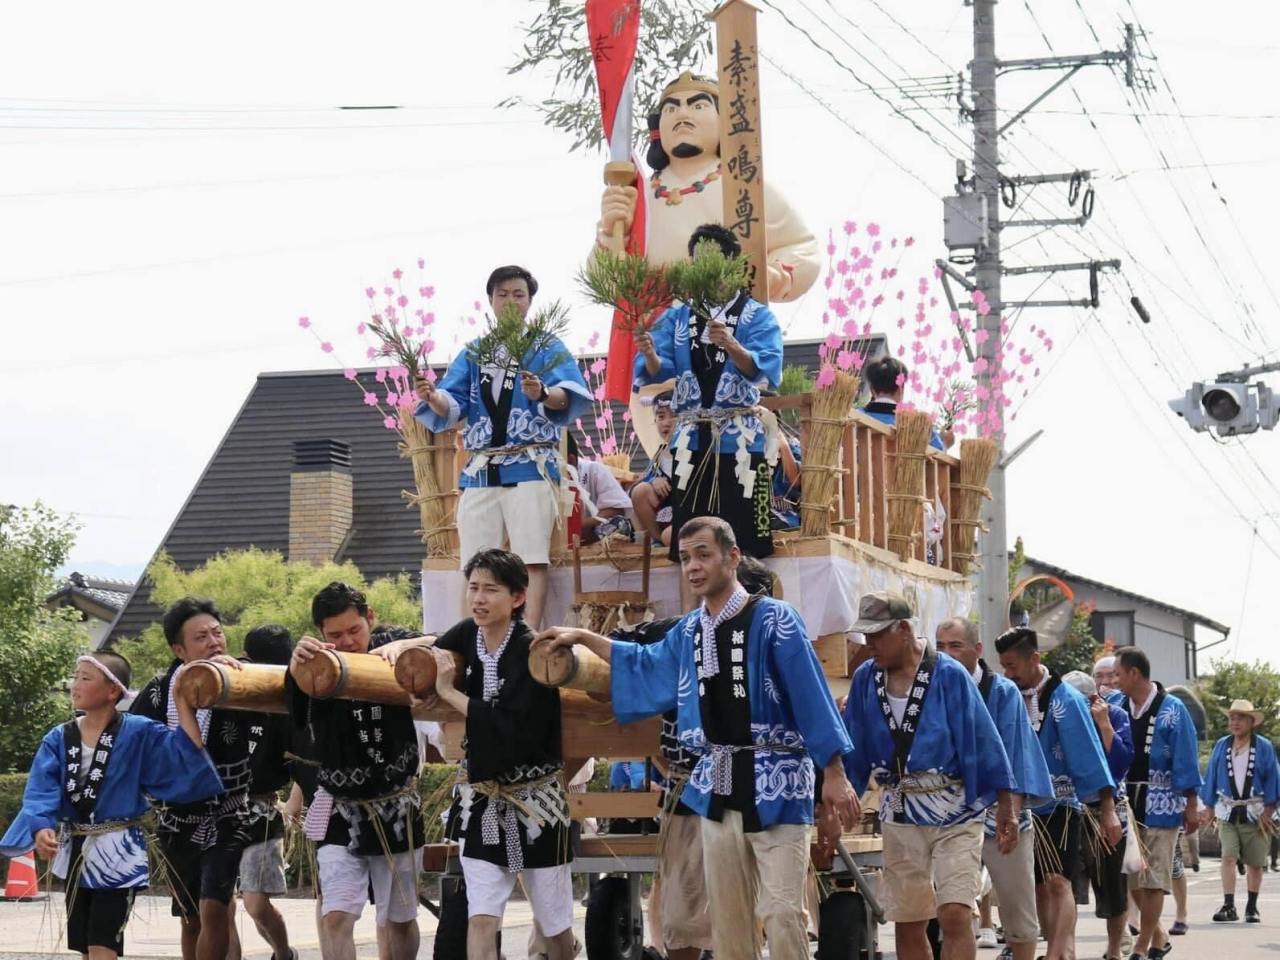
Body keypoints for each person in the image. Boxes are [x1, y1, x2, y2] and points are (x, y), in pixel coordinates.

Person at [538, 517, 860, 960]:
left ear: (732, 557)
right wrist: (583, 636)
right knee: (729, 921)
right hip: (717, 781)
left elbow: (812, 698)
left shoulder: (776, 620)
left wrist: (834, 773)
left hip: (780, 780)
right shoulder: (689, 630)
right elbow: (644, 662)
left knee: (783, 912)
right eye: (686, 557)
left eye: (703, 554)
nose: (692, 566)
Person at [377, 550, 575, 960]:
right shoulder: (469, 634)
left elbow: (510, 725)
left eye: (491, 589)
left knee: (555, 927)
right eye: (473, 588)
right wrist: (403, 645)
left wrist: (450, 693)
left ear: (518, 597)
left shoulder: (531, 651)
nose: (479, 598)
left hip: (536, 805)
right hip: (485, 800)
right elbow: (436, 646)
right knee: (481, 917)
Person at [0, 652, 223, 960]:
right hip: (77, 846)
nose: (75, 684)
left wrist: (181, 701)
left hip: (119, 853)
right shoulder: (58, 737)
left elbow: (185, 750)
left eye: (85, 678)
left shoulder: (138, 731)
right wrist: (41, 828)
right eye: (75, 676)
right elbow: (41, 788)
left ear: (112, 690)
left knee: (103, 944)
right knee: (85, 947)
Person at [414, 264, 592, 628]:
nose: (510, 301)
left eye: (519, 294)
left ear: (530, 301)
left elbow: (567, 396)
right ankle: (475, 643)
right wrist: (433, 398)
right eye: (503, 294)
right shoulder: (476, 352)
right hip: (482, 469)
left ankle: (525, 638)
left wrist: (542, 392)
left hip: (529, 464)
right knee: (476, 562)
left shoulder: (546, 346)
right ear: (491, 300)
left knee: (531, 557)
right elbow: (454, 402)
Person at [843, 598, 1017, 960]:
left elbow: (984, 738)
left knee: (955, 912)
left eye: (877, 635)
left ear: (904, 630)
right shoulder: (865, 679)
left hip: (954, 807)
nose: (869, 644)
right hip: (900, 809)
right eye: (865, 636)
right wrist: (838, 800)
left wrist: (1006, 805)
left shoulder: (948, 673)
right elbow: (854, 745)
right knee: (909, 921)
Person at [287, 582, 426, 960]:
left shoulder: (394, 642)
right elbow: (297, 715)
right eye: (335, 635)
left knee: (398, 917)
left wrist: (410, 647)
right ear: (320, 634)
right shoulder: (313, 663)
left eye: (354, 630)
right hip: (340, 807)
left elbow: (443, 642)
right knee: (336, 915)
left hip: (396, 806)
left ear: (370, 619)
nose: (346, 641)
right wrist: (295, 665)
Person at [634, 223, 784, 569]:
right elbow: (657, 369)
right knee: (690, 540)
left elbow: (764, 367)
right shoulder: (677, 316)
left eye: (713, 259)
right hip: (691, 443)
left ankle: (747, 613)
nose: (705, 266)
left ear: (732, 264)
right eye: (697, 259)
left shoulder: (756, 315)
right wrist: (651, 353)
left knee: (745, 540)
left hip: (740, 441)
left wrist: (732, 345)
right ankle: (693, 620)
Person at [130, 597, 255, 960]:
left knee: (214, 907)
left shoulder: (242, 678)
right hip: (175, 820)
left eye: (218, 633)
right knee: (190, 917)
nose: (214, 642)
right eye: (201, 637)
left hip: (228, 814)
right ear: (179, 648)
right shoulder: (157, 691)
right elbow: (135, 746)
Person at [995, 628, 1121, 960]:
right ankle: (1059, 950)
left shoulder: (1067, 700)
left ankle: (1054, 953)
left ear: (1034, 659)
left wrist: (1107, 808)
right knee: (1037, 886)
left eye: (1012, 666)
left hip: (1062, 805)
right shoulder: (1008, 697)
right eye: (1003, 667)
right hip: (1021, 808)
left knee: (1058, 881)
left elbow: (1090, 756)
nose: (1008, 674)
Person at [934, 617, 1053, 960]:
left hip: (1002, 812)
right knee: (953, 910)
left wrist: (1011, 816)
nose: (947, 654)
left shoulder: (1002, 692)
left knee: (1017, 908)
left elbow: (1015, 756)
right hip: (951, 816)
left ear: (977, 649)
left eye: (955, 645)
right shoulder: (931, 689)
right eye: (940, 646)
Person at [1113, 647, 1202, 959]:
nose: (1114, 680)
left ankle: (1142, 945)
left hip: (1163, 801)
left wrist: (1191, 803)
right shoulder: (1115, 705)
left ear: (1134, 673)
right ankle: (1160, 935)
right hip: (1126, 803)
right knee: (1133, 876)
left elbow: (1187, 758)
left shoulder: (1173, 710)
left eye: (1118, 674)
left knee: (1154, 880)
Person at [237, 625, 302, 960]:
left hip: (262, 810)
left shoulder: (288, 696)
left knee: (256, 904)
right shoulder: (228, 685)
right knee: (218, 905)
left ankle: (283, 953)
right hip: (222, 809)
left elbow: (303, 759)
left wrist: (293, 805)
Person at [1061, 670, 1135, 960]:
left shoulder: (1115, 716)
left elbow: (1120, 764)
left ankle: (1115, 950)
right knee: (1064, 887)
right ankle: (1068, 950)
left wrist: (1104, 725)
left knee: (1113, 887)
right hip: (1067, 809)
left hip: (1107, 810)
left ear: (1095, 699)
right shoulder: (1059, 717)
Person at [1199, 698, 1280, 923]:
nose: (1235, 722)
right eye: (1232, 718)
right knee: (1228, 856)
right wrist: (1208, 806)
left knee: (1255, 862)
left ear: (1251, 722)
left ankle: (1252, 907)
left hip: (1256, 810)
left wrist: (1270, 809)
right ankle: (1228, 905)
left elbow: (1273, 777)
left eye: (1240, 718)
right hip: (1227, 809)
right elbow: (1212, 776)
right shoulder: (1222, 745)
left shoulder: (1263, 746)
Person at [862, 356, 950, 450]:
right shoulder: (920, 425)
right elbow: (937, 452)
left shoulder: (854, 416)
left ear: (872, 390)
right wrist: (946, 444)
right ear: (901, 388)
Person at [565, 433, 634, 544]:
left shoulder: (594, 470)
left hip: (591, 531)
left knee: (620, 523)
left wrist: (583, 524)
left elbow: (617, 508)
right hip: (560, 536)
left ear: (570, 461)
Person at [631, 390, 678, 547]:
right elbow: (641, 485)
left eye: (674, 415)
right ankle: (657, 540)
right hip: (667, 515)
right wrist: (653, 480)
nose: (667, 422)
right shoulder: (659, 456)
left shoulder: (695, 451)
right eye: (661, 416)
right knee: (640, 490)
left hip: (690, 516)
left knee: (669, 536)